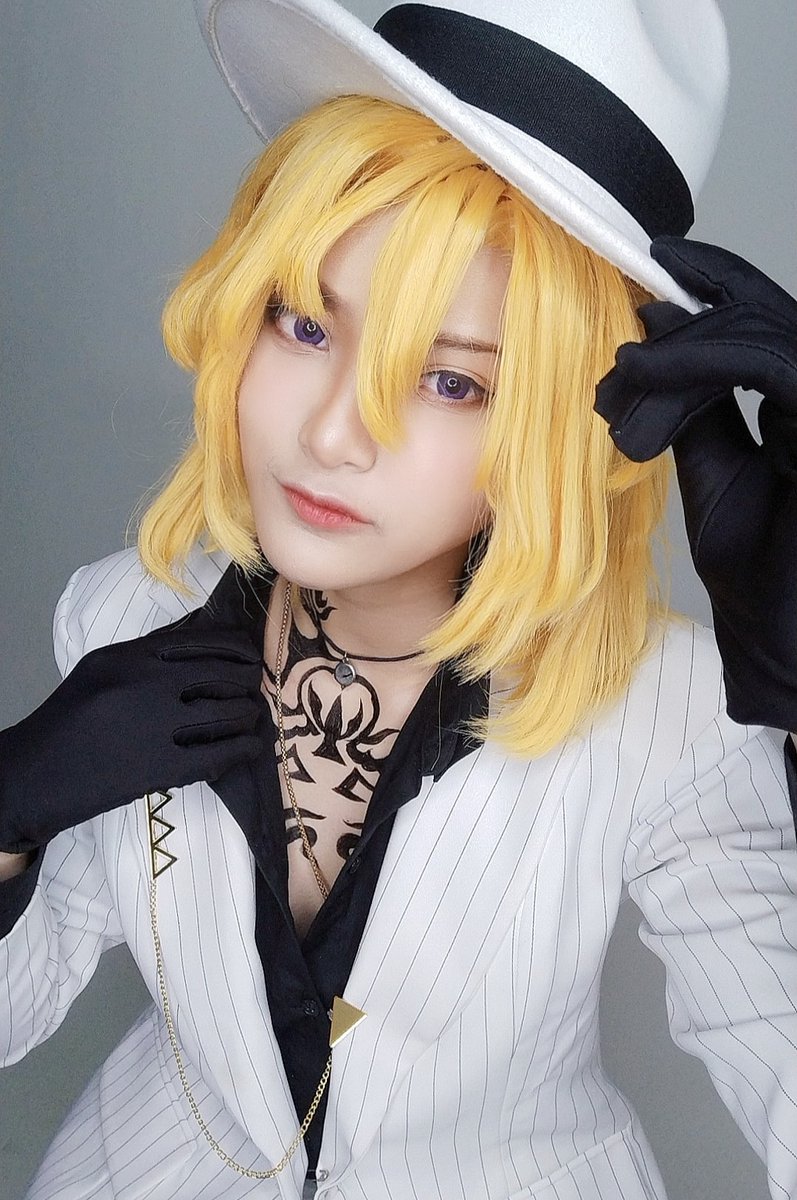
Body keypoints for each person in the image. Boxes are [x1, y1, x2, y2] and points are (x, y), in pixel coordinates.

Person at [1, 1, 796, 1198]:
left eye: (451, 383)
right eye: (303, 324)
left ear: (557, 420)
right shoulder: (120, 616)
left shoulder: (670, 713)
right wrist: (11, 806)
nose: (333, 434)